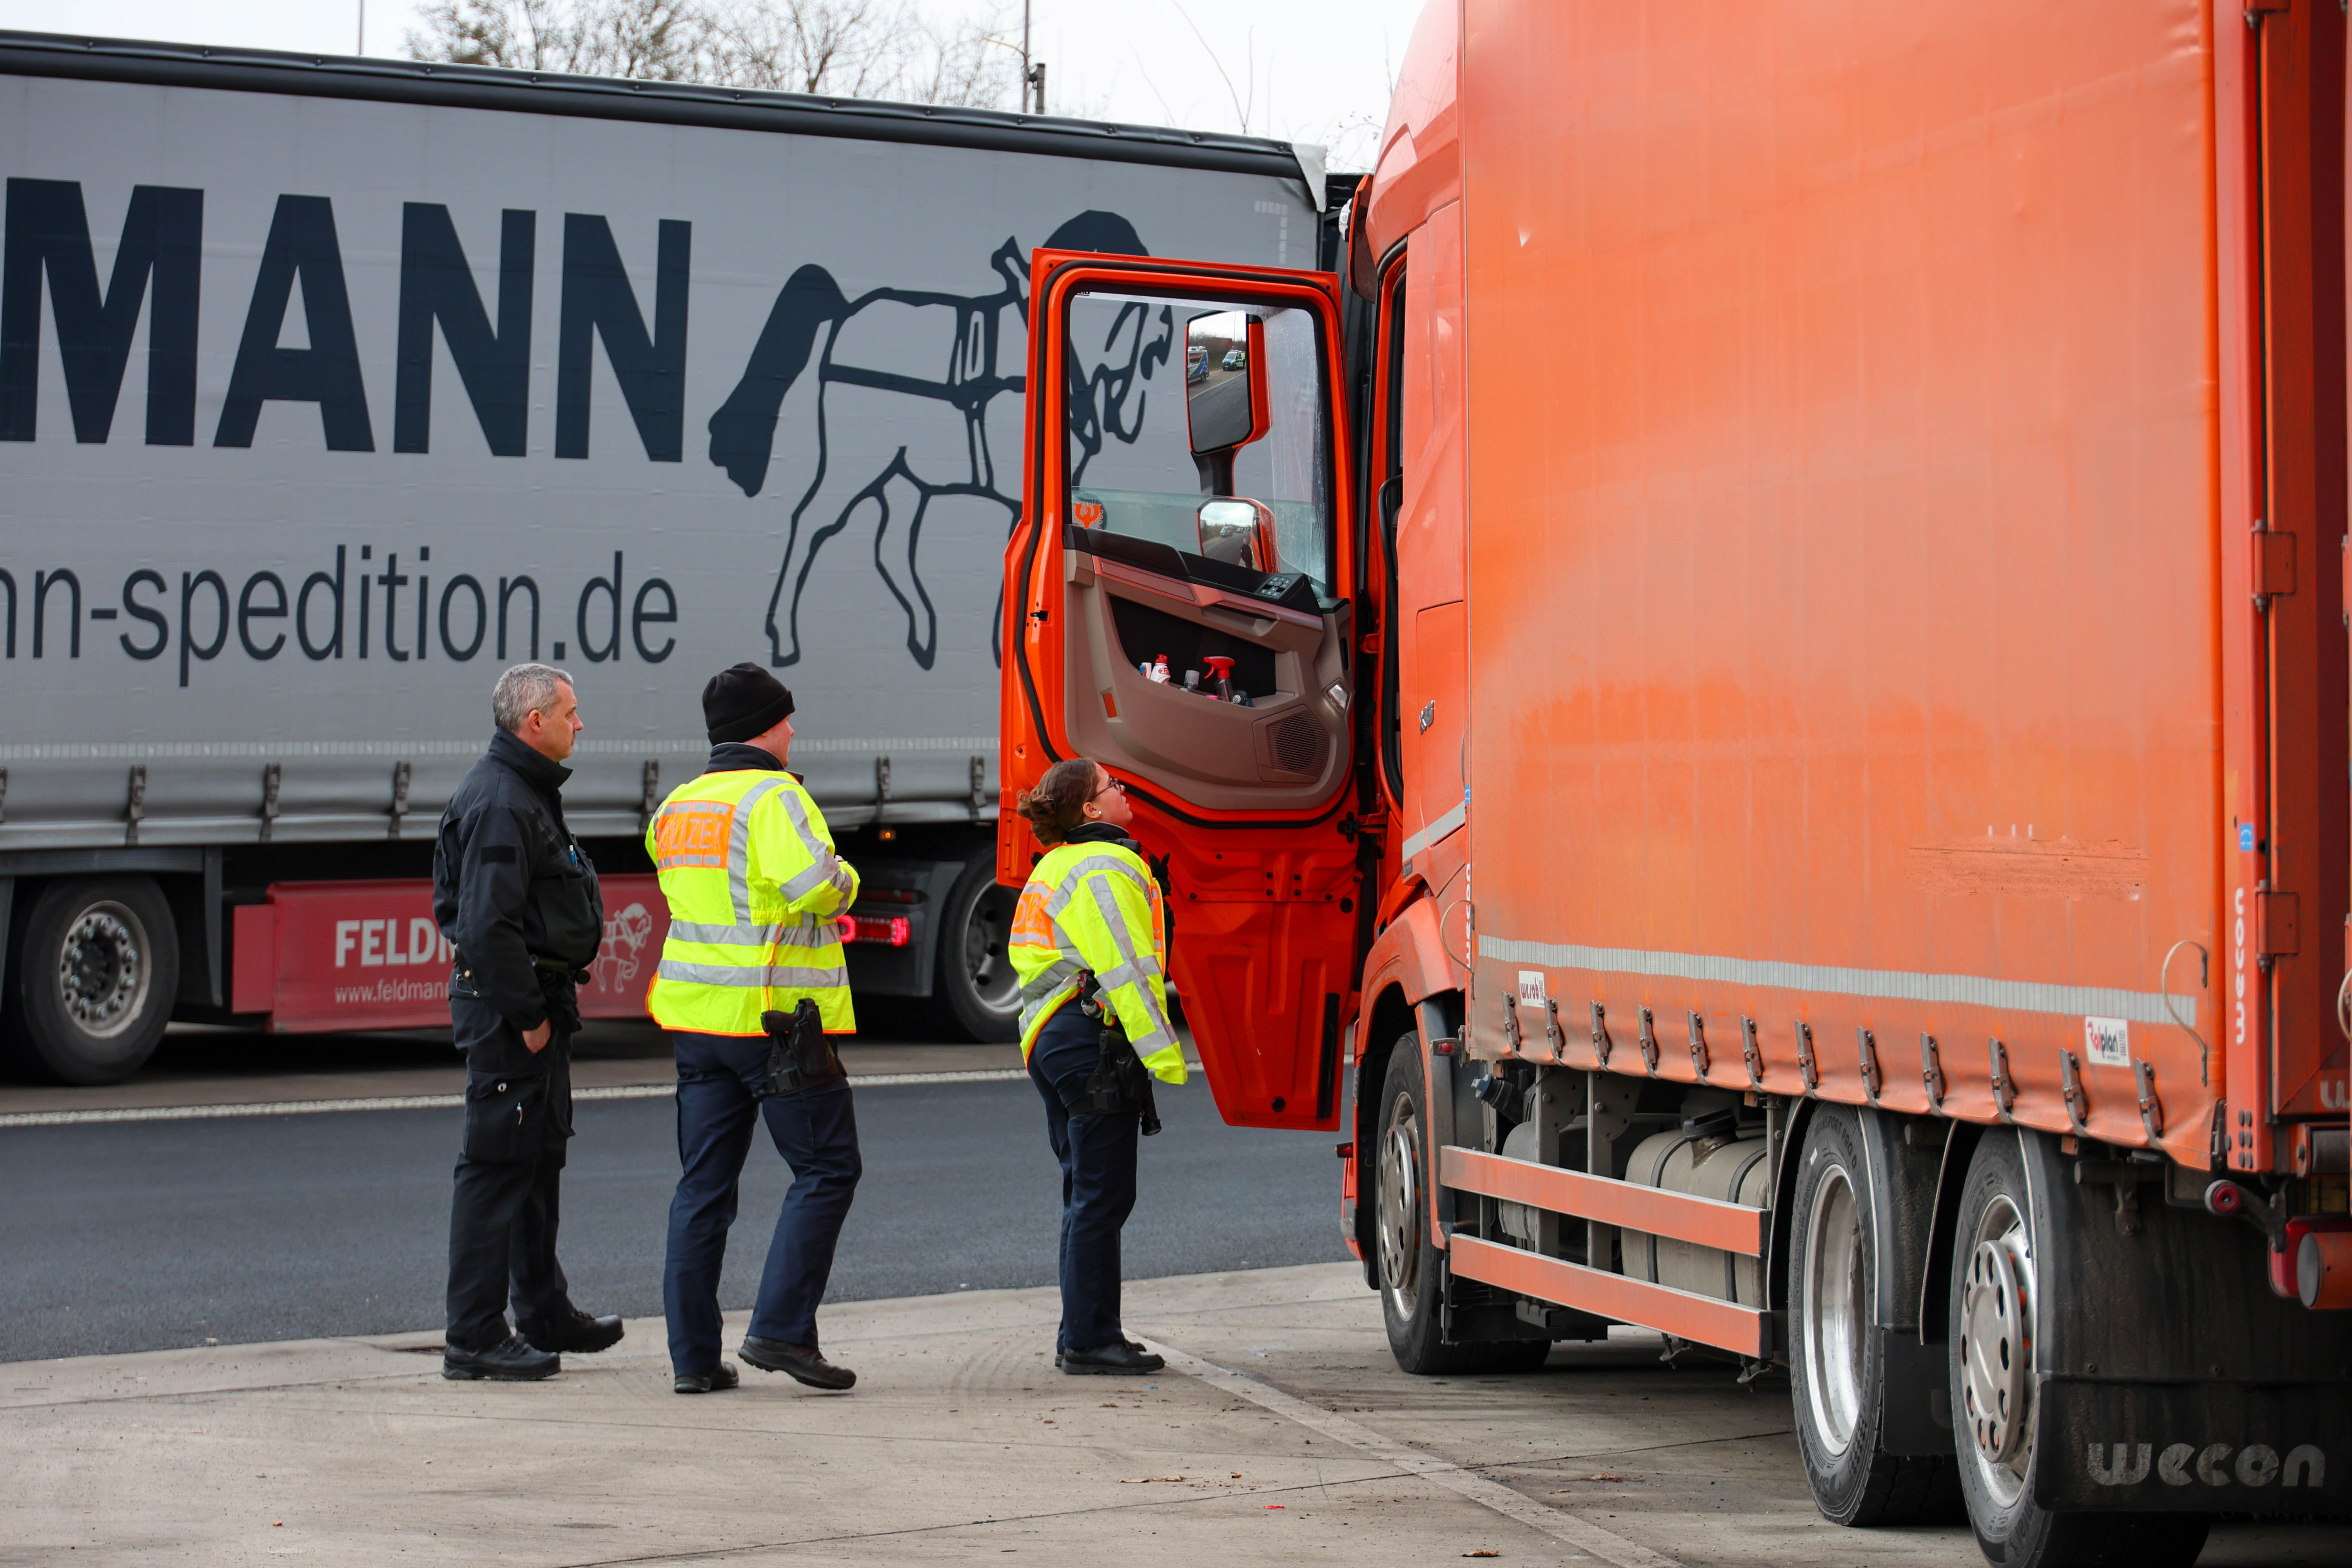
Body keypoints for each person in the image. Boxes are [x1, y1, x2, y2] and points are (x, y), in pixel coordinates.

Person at [648, 663, 863, 1396]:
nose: (794, 730)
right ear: (763, 728)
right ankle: (781, 1330)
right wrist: (846, 877)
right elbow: (818, 888)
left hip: (697, 1020)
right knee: (828, 1169)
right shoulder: (775, 797)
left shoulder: (676, 804)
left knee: (702, 1188)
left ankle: (693, 1359)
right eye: (786, 719)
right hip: (776, 1023)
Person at [433, 662, 625, 1381]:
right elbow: (486, 928)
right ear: (532, 722)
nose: (582, 723)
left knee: (539, 1160)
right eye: (571, 712)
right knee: (495, 1167)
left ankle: (543, 1311)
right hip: (513, 1012)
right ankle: (475, 1336)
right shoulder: (503, 803)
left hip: (539, 1002)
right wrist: (529, 1017)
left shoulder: (526, 792)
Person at [1008, 757, 1187, 1375]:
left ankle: (1083, 1333)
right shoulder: (1107, 865)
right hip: (1090, 1038)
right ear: (1090, 809)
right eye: (1113, 787)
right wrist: (1162, 1053)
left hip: (1052, 1037)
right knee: (1104, 1196)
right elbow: (1127, 966)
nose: (1123, 792)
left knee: (1084, 1192)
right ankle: (1090, 1341)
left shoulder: (1057, 862)